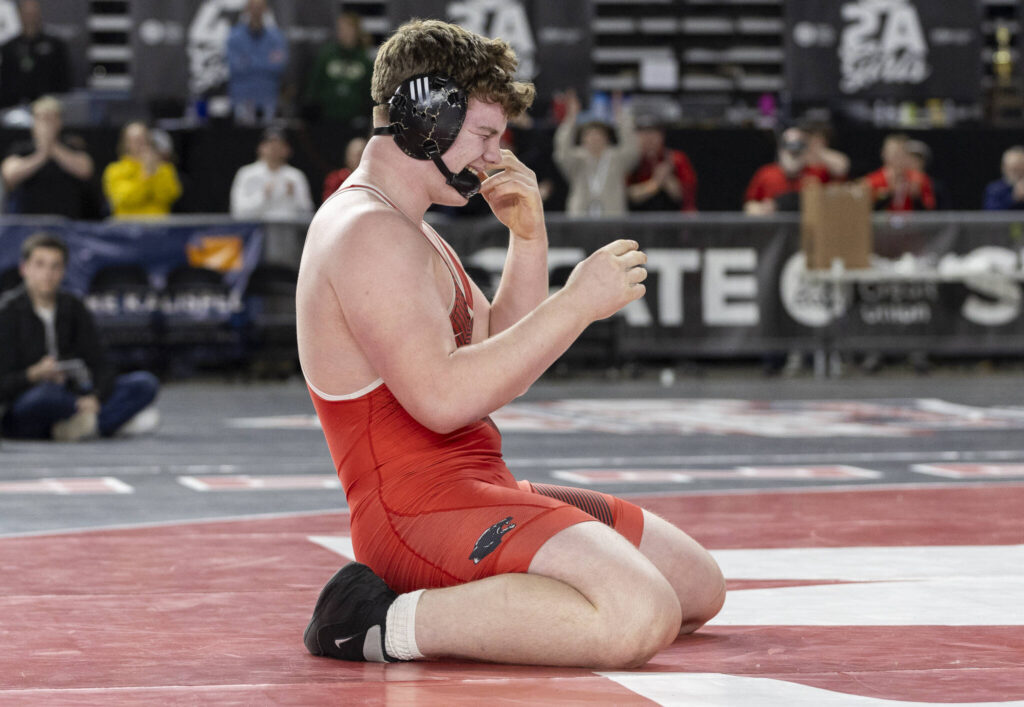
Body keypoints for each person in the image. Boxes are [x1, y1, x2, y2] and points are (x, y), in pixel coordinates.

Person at [297, 19, 724, 669]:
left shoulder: (408, 228)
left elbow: (498, 356)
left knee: (698, 587)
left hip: (475, 486)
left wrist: (529, 240)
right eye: (486, 136)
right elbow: (443, 400)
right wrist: (576, 303)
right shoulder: (367, 233)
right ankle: (377, 619)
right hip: (417, 512)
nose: (494, 158)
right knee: (640, 612)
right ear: (427, 120)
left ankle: (484, 594)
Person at [0, 233, 160, 441]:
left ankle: (78, 425)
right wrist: (33, 374)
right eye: (40, 265)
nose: (47, 273)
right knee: (45, 396)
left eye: (55, 266)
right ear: (25, 269)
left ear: (63, 271)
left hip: (73, 393)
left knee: (144, 383)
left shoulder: (73, 307)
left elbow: (101, 363)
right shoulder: (7, 312)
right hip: (30, 401)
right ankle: (101, 423)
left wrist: (95, 397)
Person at [1, 95, 99, 219]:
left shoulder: (72, 146)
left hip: (68, 223)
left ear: (59, 121)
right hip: (28, 224)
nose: (47, 124)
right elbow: (9, 175)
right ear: (34, 121)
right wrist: (42, 154)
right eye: (43, 118)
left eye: (51, 119)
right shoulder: (21, 149)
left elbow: (85, 170)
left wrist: (53, 147)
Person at [230, 126, 313, 266]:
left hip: (289, 242)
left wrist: (293, 197)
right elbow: (238, 212)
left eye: (279, 145)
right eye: (270, 144)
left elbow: (308, 212)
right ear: (260, 148)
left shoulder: (295, 176)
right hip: (256, 240)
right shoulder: (246, 174)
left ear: (287, 150)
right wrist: (263, 196)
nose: (274, 149)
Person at [553, 89, 639, 217]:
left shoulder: (617, 158)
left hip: (613, 217)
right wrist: (571, 119)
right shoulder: (576, 159)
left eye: (599, 134)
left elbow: (632, 149)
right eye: (589, 135)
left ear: (607, 138)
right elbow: (561, 150)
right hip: (580, 218)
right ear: (582, 139)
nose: (594, 138)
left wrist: (621, 117)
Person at [303, 13, 374, 128]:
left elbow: (371, 92)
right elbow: (314, 86)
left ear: (357, 32)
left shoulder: (365, 60)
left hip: (354, 120)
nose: (344, 33)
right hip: (326, 118)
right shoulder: (326, 56)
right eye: (341, 29)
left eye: (348, 29)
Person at [226, 0, 288, 126]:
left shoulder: (276, 37)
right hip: (242, 98)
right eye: (253, 7)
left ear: (266, 9)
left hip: (268, 97)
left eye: (259, 7)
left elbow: (278, 67)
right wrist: (265, 61)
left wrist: (248, 61)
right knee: (244, 140)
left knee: (268, 137)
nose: (256, 11)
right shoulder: (234, 36)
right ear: (247, 9)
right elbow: (234, 67)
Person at [102, 121, 183, 218]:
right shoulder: (115, 170)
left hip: (160, 226)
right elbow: (124, 198)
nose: (141, 143)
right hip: (127, 227)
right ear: (126, 143)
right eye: (136, 139)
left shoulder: (164, 168)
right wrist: (146, 174)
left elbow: (170, 196)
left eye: (143, 138)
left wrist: (153, 171)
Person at [744, 127, 831, 214]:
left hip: (809, 224)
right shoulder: (766, 173)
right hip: (776, 224)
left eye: (798, 149)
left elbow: (841, 168)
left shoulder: (817, 173)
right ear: (780, 150)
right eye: (789, 148)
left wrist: (815, 149)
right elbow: (749, 205)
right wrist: (762, 209)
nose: (794, 154)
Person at [0, 0, 70, 108]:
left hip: (48, 108)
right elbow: (5, 83)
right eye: (26, 12)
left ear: (39, 13)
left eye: (33, 12)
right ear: (20, 14)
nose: (30, 16)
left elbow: (64, 81)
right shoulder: (8, 48)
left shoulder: (55, 45)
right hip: (15, 109)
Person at [626, 118, 697, 212]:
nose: (648, 139)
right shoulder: (630, 161)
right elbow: (628, 195)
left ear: (662, 136)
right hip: (638, 219)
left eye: (653, 133)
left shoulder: (676, 159)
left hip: (674, 220)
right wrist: (655, 183)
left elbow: (686, 197)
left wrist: (667, 179)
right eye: (644, 134)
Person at [862, 134, 936, 212]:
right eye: (894, 153)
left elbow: (930, 209)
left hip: (910, 222)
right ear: (884, 154)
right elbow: (864, 208)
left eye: (901, 153)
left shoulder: (919, 179)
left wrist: (917, 197)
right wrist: (886, 194)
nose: (897, 158)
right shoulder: (871, 181)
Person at [321, 135, 367, 203]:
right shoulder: (335, 179)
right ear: (347, 157)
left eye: (362, 154)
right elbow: (328, 203)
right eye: (357, 155)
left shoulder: (374, 178)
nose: (358, 159)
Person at [983, 146, 1024, 211]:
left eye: (1018, 168)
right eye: (1010, 167)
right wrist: (1014, 198)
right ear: (1003, 167)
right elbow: (990, 213)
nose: (1014, 171)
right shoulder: (995, 189)